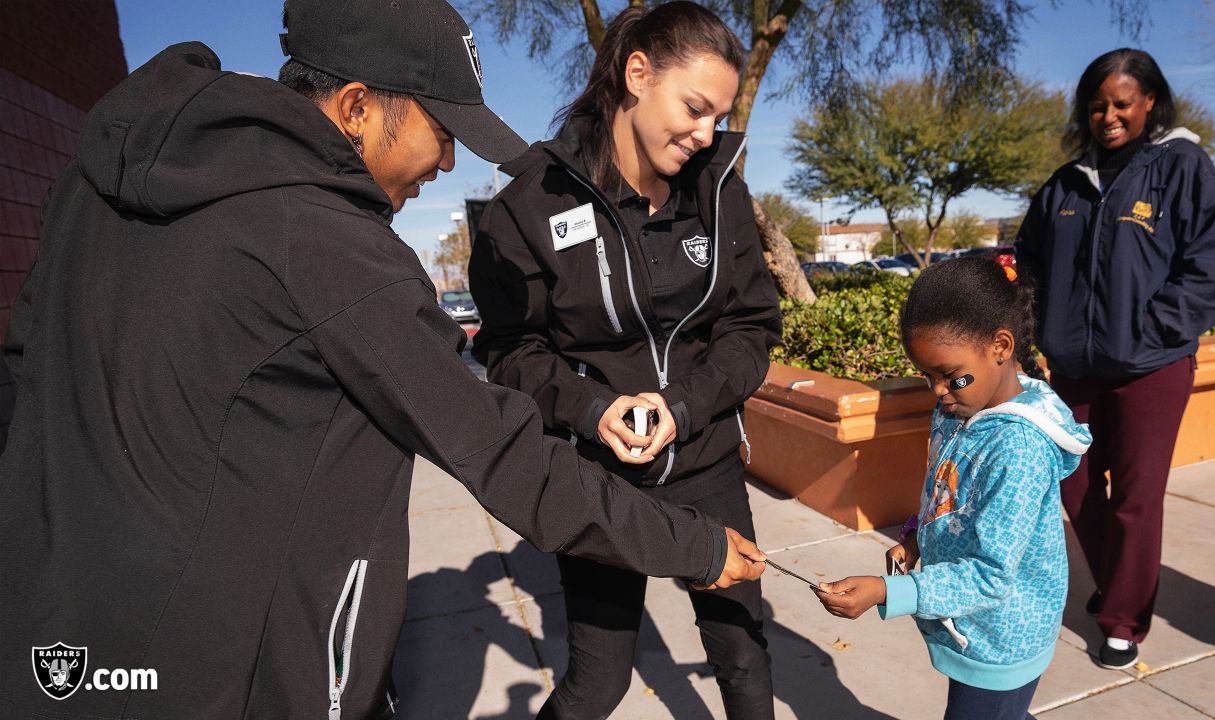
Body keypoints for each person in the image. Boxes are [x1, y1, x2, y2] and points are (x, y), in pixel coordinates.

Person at [0, 1, 768, 718]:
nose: (443, 164)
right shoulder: (333, 249)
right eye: (442, 133)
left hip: (58, 639)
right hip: (235, 669)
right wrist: (694, 548)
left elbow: (22, 368)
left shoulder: (88, 189)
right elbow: (496, 445)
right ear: (359, 107)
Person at [467, 3, 782, 717]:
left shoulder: (719, 185)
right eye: (696, 108)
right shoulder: (529, 205)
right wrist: (592, 407)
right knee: (598, 680)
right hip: (598, 482)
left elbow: (750, 327)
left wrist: (682, 407)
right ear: (638, 73)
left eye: (717, 116)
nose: (707, 134)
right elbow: (510, 349)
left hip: (705, 459)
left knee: (744, 657)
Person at [1014, 48, 1215, 670]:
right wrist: (1033, 333)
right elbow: (1027, 260)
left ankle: (1122, 619)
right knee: (1077, 485)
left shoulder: (1183, 167)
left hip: (1151, 369)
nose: (1107, 116)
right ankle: (1118, 584)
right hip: (1074, 368)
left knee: (1136, 498)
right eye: (1096, 106)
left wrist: (1154, 330)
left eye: (1120, 103)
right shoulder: (1066, 182)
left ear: (1148, 103)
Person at [812, 257, 1093, 720]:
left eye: (951, 376)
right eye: (927, 376)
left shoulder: (1019, 448)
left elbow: (990, 574)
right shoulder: (959, 408)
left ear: (1001, 346)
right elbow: (947, 490)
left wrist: (887, 593)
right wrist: (917, 536)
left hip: (1002, 637)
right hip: (970, 622)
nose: (939, 391)